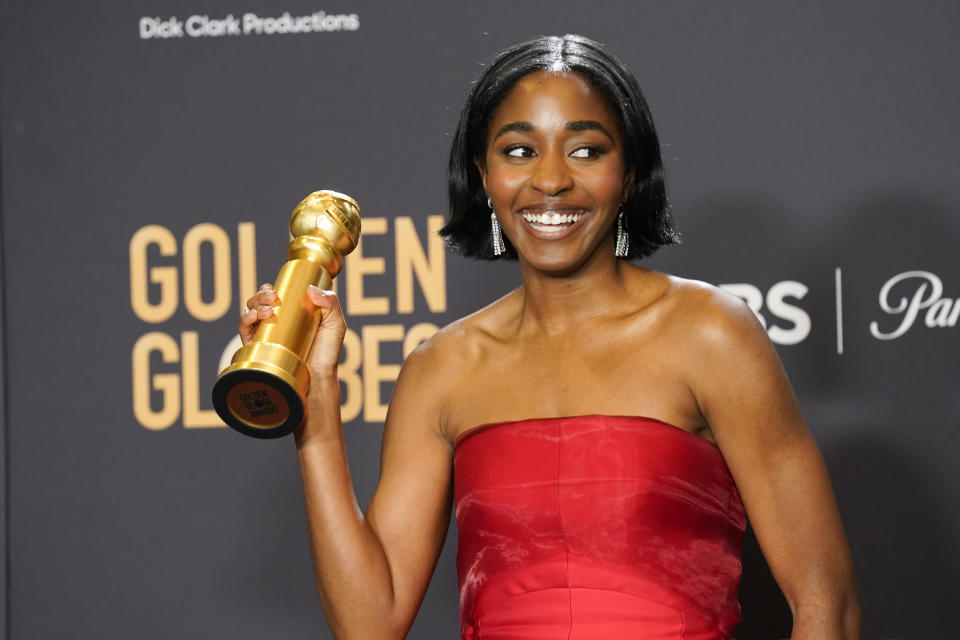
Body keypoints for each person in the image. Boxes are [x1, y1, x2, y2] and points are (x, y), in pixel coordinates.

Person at [240, 34, 860, 640]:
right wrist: (313, 402)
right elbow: (369, 624)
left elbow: (826, 607)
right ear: (483, 175)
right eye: (518, 151)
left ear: (631, 171)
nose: (551, 181)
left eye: (586, 151)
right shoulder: (442, 368)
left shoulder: (710, 335)